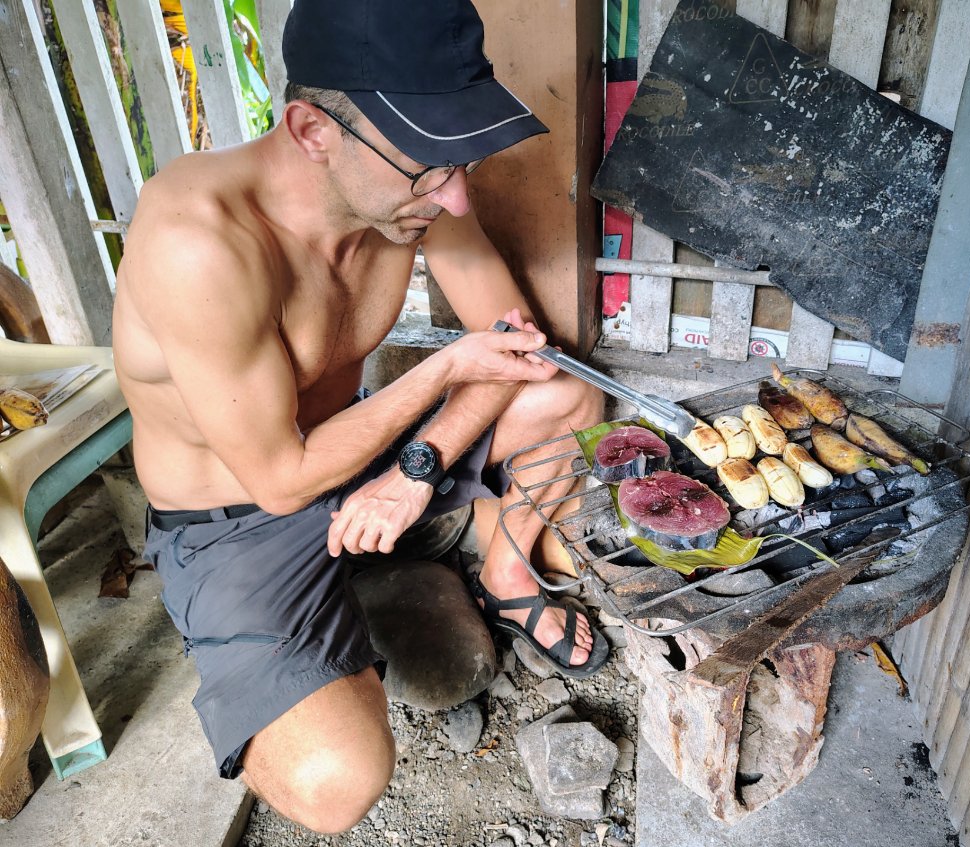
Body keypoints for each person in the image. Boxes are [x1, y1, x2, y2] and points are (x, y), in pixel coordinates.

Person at [111, 0, 606, 833]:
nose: (454, 199)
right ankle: (326, 625)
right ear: (312, 131)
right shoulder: (200, 239)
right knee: (335, 783)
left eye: (458, 163)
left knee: (566, 395)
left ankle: (503, 576)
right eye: (427, 167)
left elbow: (517, 349)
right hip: (236, 520)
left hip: (359, 461)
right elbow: (278, 479)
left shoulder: (408, 191)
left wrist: (416, 471)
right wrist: (447, 368)